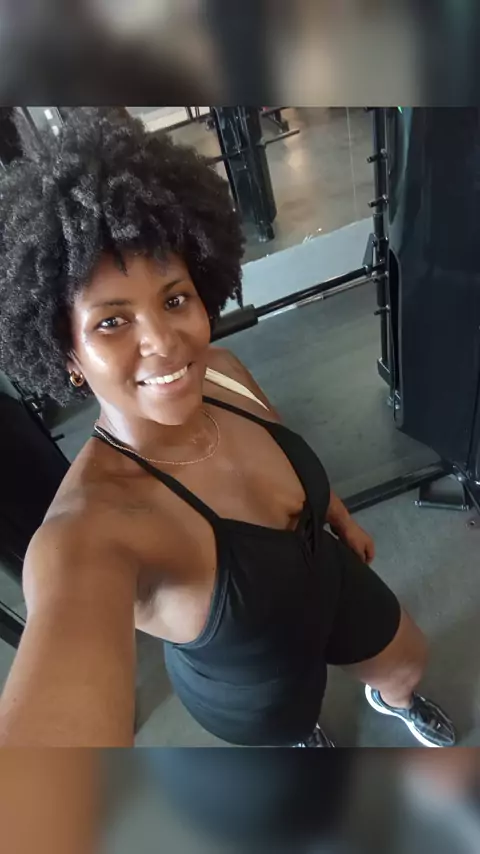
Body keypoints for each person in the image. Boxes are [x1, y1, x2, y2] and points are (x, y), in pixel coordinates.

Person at [0, 108, 455, 747]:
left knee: (407, 662)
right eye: (111, 321)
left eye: (174, 299)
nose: (165, 342)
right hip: (253, 682)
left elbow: (289, 459)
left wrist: (337, 517)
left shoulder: (221, 371)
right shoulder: (89, 532)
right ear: (67, 354)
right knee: (297, 734)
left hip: (330, 577)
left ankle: (391, 698)